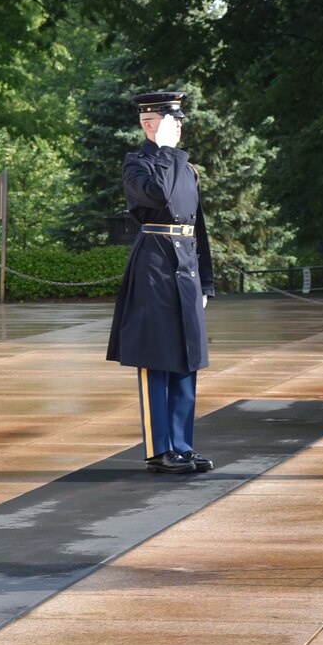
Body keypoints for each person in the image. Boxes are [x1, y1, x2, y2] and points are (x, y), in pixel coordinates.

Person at [107, 90, 215, 475]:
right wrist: (166, 152)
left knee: (187, 358)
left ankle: (183, 446)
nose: (175, 129)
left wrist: (206, 280)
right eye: (164, 123)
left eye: (177, 123)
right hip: (154, 262)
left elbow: (196, 226)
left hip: (185, 264)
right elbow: (158, 198)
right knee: (157, 359)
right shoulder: (137, 164)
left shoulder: (187, 167)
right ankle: (160, 448)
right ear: (146, 125)